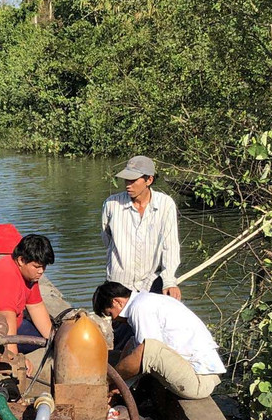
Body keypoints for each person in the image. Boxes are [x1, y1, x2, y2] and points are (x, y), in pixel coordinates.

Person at [92, 281, 224, 399]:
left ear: (117, 302)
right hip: (199, 375)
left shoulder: (140, 307)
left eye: (110, 314)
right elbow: (141, 352)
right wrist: (122, 384)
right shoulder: (146, 300)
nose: (114, 320)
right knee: (134, 342)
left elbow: (147, 353)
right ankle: (119, 386)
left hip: (199, 381)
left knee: (148, 348)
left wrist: (109, 381)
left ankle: (110, 382)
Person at [101, 155, 182, 300]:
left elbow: (170, 246)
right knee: (121, 322)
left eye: (133, 180)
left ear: (149, 180)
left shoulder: (165, 205)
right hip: (119, 284)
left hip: (150, 282)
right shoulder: (111, 204)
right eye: (126, 179)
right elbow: (107, 240)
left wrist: (169, 281)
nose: (128, 184)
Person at [0, 233, 55, 363]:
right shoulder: (7, 275)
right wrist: (15, 358)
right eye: (37, 267)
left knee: (47, 337)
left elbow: (36, 306)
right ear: (21, 260)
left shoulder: (30, 276)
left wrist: (56, 341)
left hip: (8, 323)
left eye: (44, 267)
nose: (41, 271)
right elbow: (6, 318)